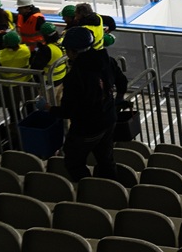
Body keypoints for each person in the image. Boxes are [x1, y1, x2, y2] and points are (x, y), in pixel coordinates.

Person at [51, 26, 128, 183]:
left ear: (73, 52)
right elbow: (122, 82)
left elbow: (68, 111)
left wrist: (49, 109)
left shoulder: (75, 77)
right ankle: (112, 189)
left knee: (73, 162)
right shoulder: (108, 61)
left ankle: (89, 189)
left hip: (87, 128)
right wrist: (117, 100)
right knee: (106, 159)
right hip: (108, 119)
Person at [30, 22, 68, 104]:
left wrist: (39, 84)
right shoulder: (62, 42)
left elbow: (35, 67)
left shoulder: (47, 50)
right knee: (60, 102)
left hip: (50, 83)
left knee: (48, 105)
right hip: (62, 78)